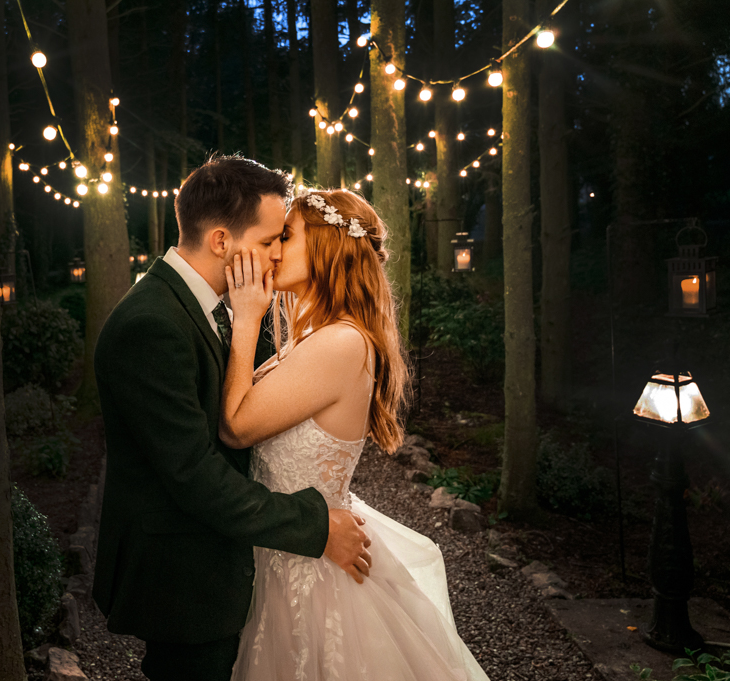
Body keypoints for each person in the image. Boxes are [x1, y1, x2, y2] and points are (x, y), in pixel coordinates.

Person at [92, 156, 373, 681]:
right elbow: (194, 475)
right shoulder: (150, 324)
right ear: (222, 241)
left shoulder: (220, 307)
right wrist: (314, 525)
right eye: (270, 240)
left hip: (233, 572)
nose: (275, 254)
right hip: (186, 584)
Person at [222, 189, 490, 681]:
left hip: (309, 573)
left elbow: (237, 427)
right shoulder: (317, 337)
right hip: (287, 549)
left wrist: (245, 319)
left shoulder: (341, 343)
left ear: (327, 247)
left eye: (286, 235)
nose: (273, 250)